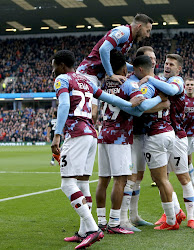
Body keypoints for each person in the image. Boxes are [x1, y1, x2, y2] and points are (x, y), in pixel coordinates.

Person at [50, 50, 144, 249]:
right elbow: (110, 100)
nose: (53, 70)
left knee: (67, 184)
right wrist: (129, 103)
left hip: (76, 134)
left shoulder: (62, 79)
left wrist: (57, 135)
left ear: (61, 65)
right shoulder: (86, 81)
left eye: (54, 66)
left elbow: (65, 104)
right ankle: (84, 231)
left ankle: (93, 229)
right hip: (92, 134)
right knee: (83, 184)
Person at [96, 50, 166, 234]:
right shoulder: (127, 84)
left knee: (103, 180)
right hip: (120, 137)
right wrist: (161, 99)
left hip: (103, 134)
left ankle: (101, 221)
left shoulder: (105, 83)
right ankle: (114, 223)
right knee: (121, 180)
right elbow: (140, 108)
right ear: (124, 67)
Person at [139, 54, 194, 230]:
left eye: (171, 64)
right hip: (164, 133)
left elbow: (172, 91)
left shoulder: (178, 81)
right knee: (160, 177)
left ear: (178, 69)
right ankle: (172, 212)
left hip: (178, 135)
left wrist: (150, 78)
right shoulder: (160, 80)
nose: (167, 66)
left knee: (183, 176)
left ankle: (191, 218)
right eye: (166, 63)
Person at [120, 46, 168, 230]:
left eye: (155, 58)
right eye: (150, 58)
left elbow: (167, 103)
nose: (154, 61)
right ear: (140, 64)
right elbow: (138, 109)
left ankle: (134, 216)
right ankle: (123, 219)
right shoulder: (133, 82)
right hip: (130, 134)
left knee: (138, 176)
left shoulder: (152, 81)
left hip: (142, 134)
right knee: (129, 177)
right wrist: (160, 104)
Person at [77, 13, 153, 86]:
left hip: (96, 77)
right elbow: (103, 49)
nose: (148, 35)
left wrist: (135, 68)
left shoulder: (129, 41)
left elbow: (115, 61)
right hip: (88, 74)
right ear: (139, 26)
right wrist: (111, 74)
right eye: (147, 31)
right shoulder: (124, 32)